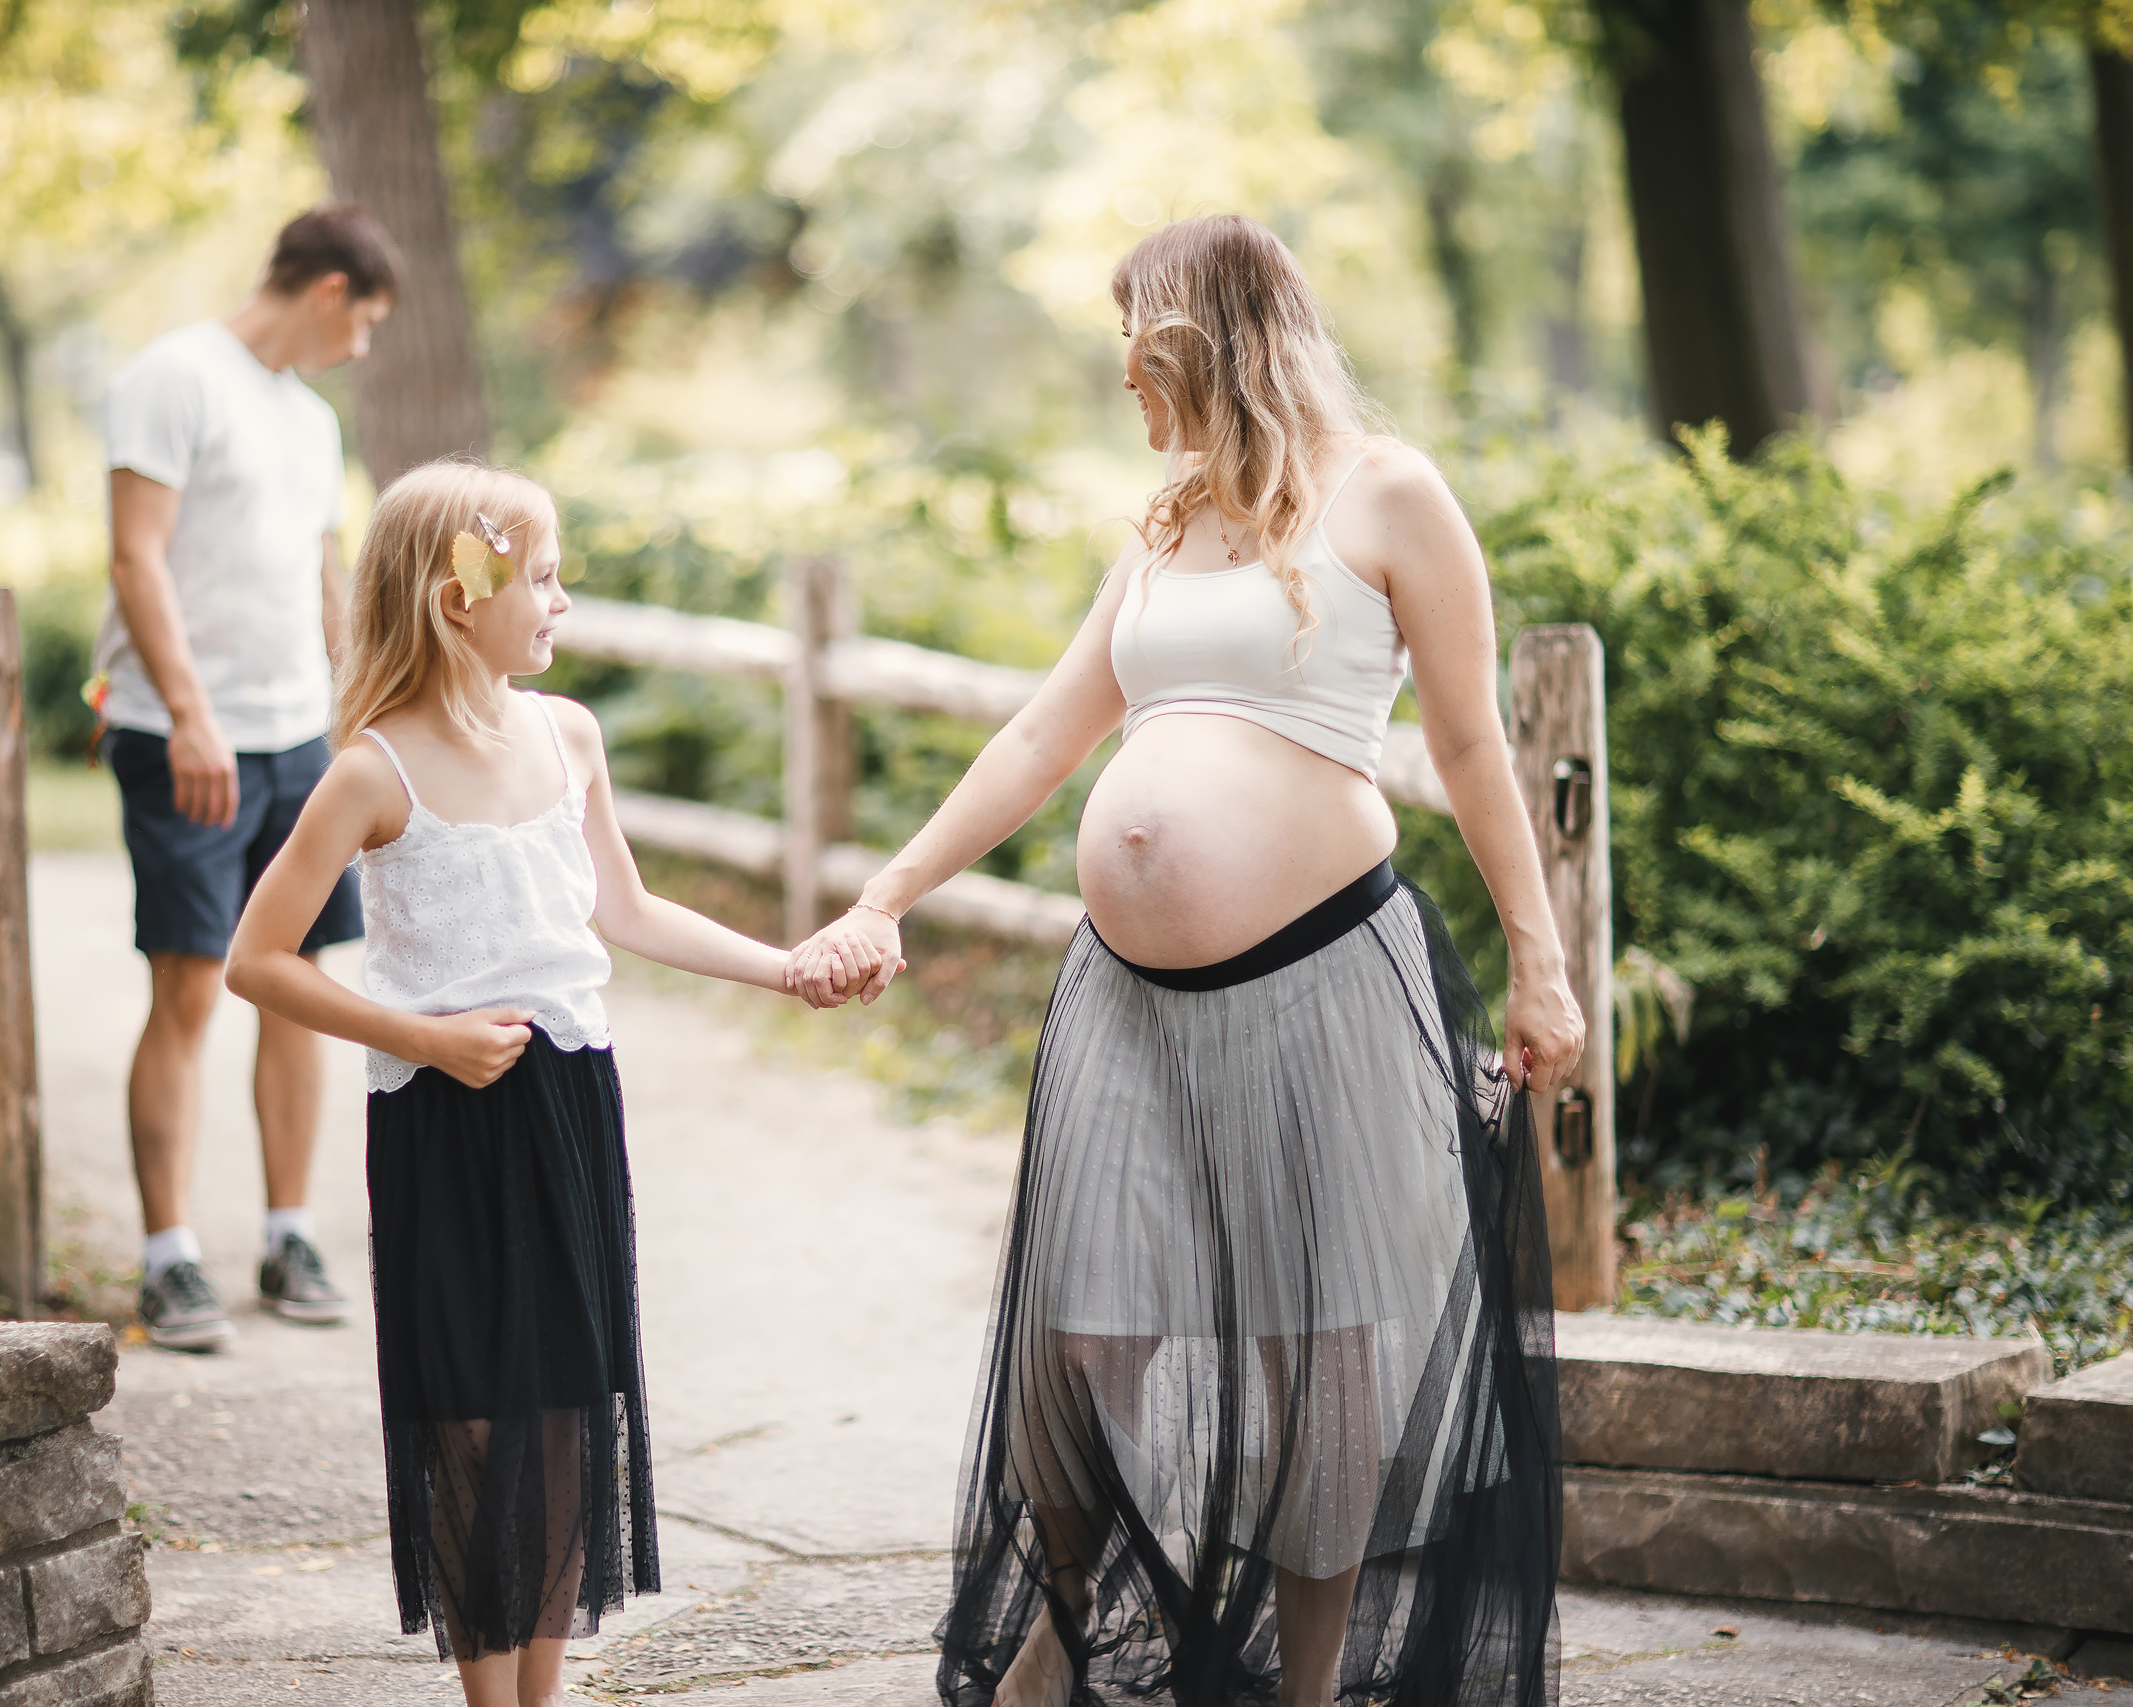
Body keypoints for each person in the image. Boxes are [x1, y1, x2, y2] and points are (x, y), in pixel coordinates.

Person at [784, 215, 1579, 1707]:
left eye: (1132, 346)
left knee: (1320, 1350)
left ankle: (1305, 1685)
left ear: (1200, 341)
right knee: (1087, 1328)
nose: (1122, 380)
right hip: (1128, 1003)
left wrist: (1539, 963)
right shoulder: (1165, 524)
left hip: (1325, 985)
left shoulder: (1391, 494)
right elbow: (1045, 732)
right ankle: (1063, 1629)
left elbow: (1472, 744)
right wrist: (887, 894)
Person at [226, 460, 861, 1707]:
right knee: (471, 1409)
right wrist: (423, 1041)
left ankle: (544, 1689)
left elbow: (626, 910)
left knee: (568, 1400)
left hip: (569, 1103)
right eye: (546, 578)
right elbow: (258, 959)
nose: (564, 602)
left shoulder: (569, 736)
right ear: (456, 600)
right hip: (445, 1120)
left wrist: (784, 968)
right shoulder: (372, 773)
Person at [92, 206, 399, 1350]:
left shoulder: (310, 421)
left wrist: (358, 716)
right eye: (363, 321)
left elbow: (325, 575)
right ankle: (168, 1257)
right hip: (182, 738)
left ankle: (287, 1235)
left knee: (300, 984)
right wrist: (189, 715)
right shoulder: (172, 379)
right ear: (328, 289)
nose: (360, 347)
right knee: (187, 990)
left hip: (296, 741)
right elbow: (135, 555)